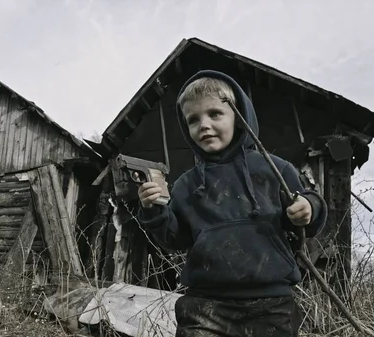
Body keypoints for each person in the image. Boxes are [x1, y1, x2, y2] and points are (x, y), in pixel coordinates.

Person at [137, 70, 328, 337]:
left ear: (240, 118)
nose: (203, 125)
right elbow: (174, 238)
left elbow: (308, 204)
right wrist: (154, 208)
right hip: (205, 305)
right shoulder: (186, 185)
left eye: (214, 114)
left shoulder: (273, 168)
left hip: (271, 302)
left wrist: (308, 208)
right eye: (193, 119)